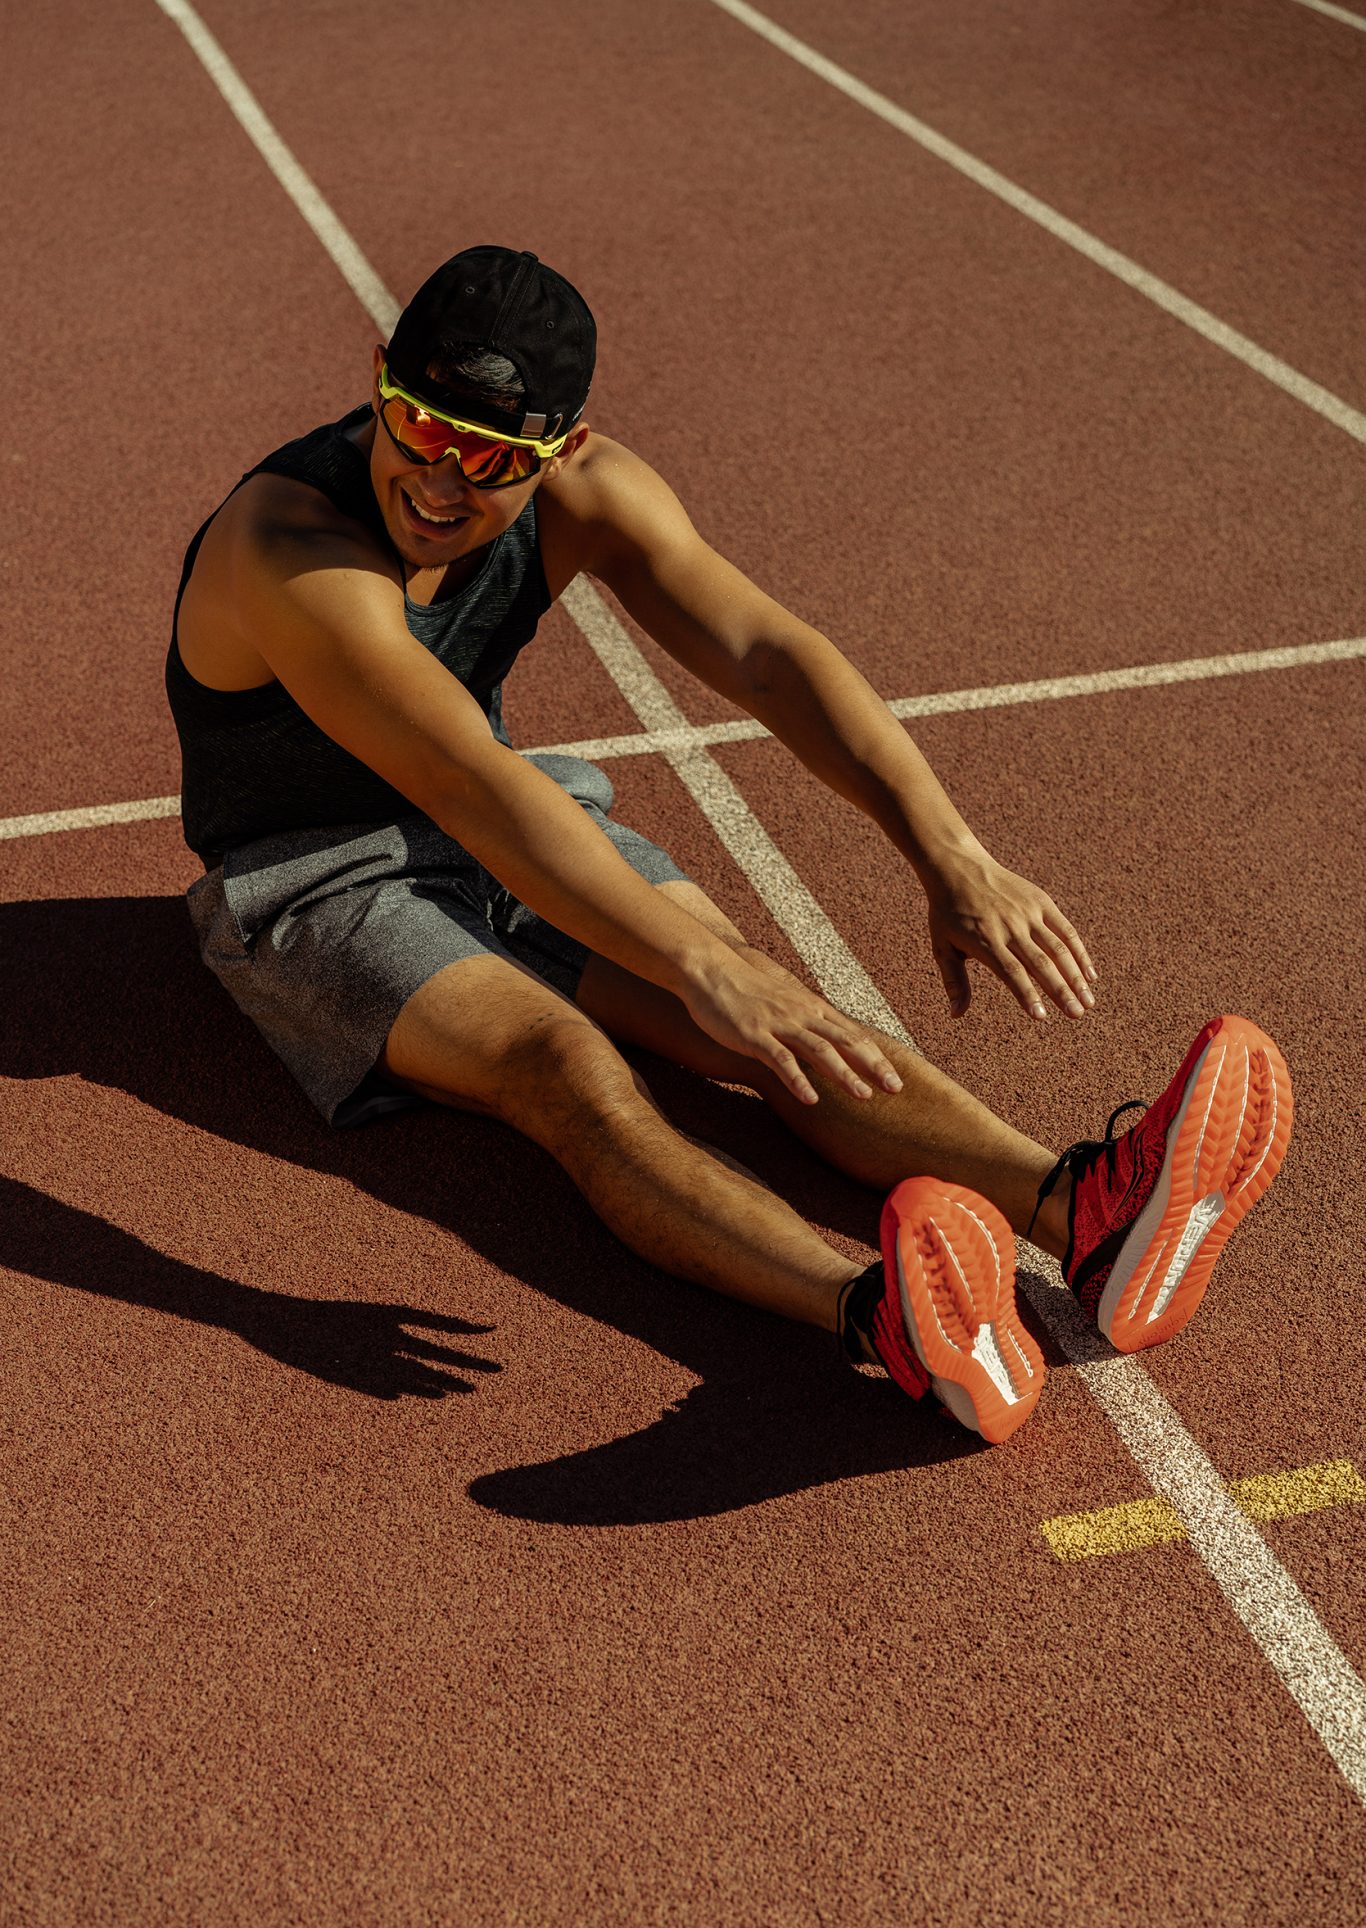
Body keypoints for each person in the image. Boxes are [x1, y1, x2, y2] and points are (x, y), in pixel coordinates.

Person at [166, 245, 1291, 1444]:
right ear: (377, 385)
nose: (440, 479)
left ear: (563, 450)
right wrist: (705, 966)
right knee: (567, 1066)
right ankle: (877, 1317)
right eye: (416, 424)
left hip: (514, 818)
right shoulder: (291, 548)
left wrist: (946, 851)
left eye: (492, 459)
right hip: (318, 879)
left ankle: (1088, 1212)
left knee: (781, 1023)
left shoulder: (593, 497)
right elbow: (470, 782)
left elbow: (766, 651)